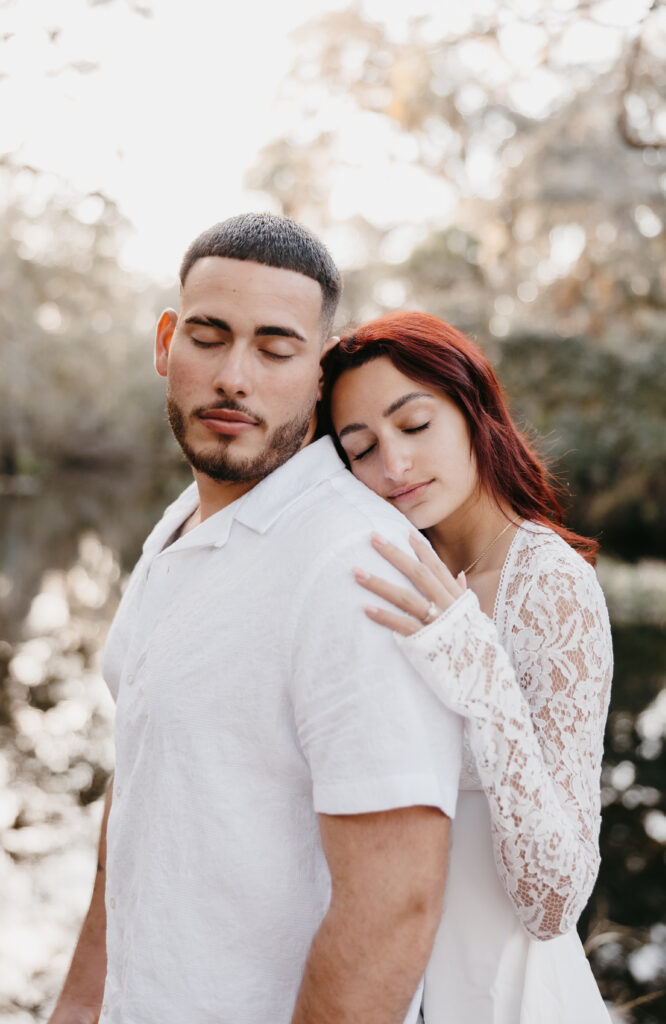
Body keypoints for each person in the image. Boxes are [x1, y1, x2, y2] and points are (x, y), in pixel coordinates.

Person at [48, 217, 465, 1024]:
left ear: (318, 371)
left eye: (275, 349)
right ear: (166, 343)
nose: (234, 377)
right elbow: (139, 787)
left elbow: (395, 907)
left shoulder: (356, 567)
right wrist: (78, 1004)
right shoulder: (180, 526)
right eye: (208, 337)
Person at [320, 311, 613, 1024]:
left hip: (502, 994)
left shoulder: (548, 585)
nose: (393, 466)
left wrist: (480, 674)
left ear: (473, 410)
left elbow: (554, 901)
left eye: (414, 426)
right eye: (360, 448)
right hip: (385, 982)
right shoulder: (387, 570)